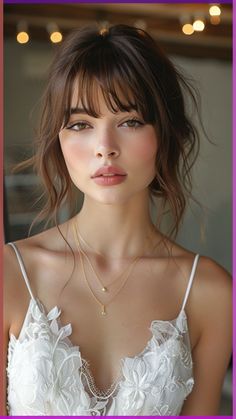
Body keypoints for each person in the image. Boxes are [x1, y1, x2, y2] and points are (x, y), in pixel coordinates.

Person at [3, 24, 232, 416]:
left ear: (165, 134)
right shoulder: (10, 273)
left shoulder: (209, 291)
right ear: (58, 141)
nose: (105, 148)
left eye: (130, 121)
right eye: (80, 125)